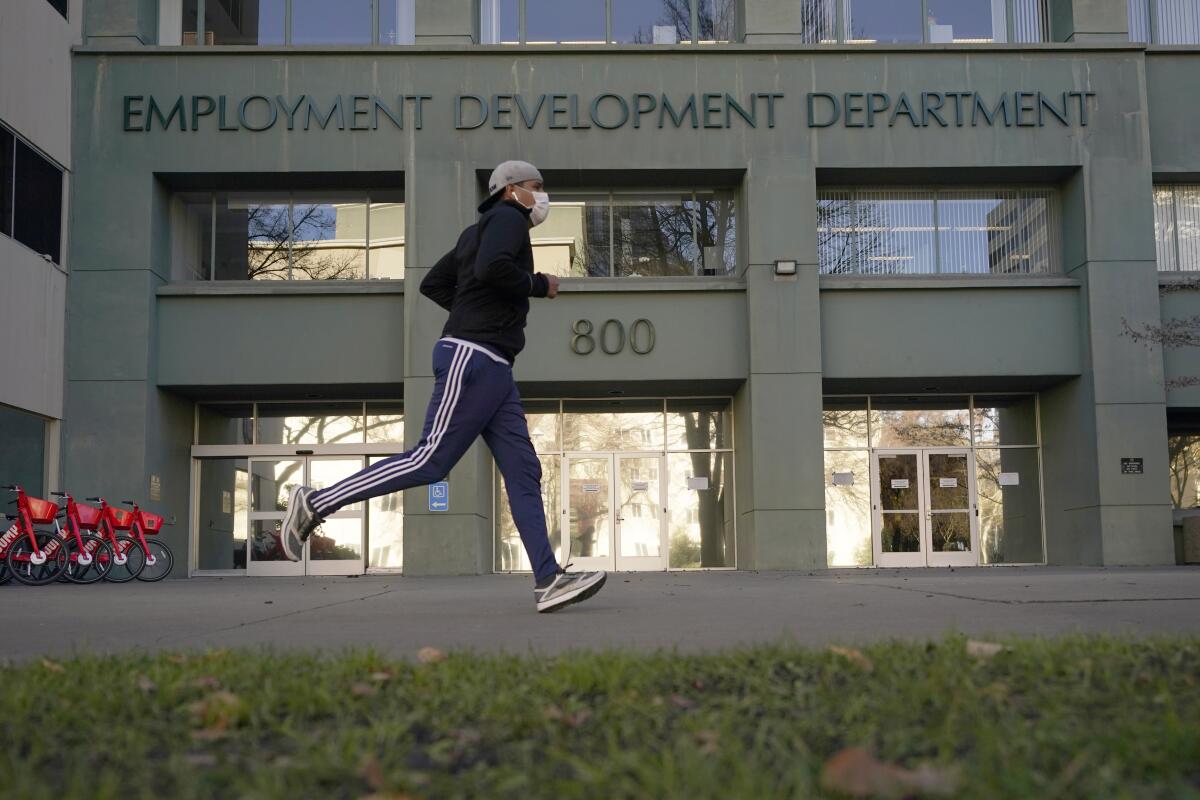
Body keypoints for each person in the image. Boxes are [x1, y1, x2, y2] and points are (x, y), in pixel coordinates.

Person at [278, 160, 607, 613]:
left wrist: (474, 308)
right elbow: (494, 270)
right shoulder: (508, 219)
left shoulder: (475, 233)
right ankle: (315, 502)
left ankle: (548, 579)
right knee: (431, 460)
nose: (541, 195)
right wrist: (538, 283)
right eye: (536, 187)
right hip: (473, 358)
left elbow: (434, 283)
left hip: (495, 369)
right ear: (512, 190)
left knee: (524, 472)